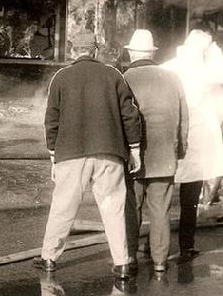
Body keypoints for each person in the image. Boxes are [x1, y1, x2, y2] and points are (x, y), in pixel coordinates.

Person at [33, 30, 142, 289]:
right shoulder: (114, 75)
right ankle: (123, 263)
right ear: (95, 50)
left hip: (70, 154)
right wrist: (134, 149)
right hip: (110, 152)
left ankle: (49, 258)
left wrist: (53, 156)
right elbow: (130, 115)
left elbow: (52, 120)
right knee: (113, 208)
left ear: (74, 50)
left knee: (63, 207)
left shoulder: (61, 77)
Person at [162, 27, 223, 262]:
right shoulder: (203, 71)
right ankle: (186, 246)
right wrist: (214, 48)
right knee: (189, 200)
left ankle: (153, 246)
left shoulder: (170, 66)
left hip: (169, 138)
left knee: (159, 196)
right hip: (194, 142)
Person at [122, 29, 189, 275]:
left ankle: (129, 257)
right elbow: (183, 118)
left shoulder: (124, 77)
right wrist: (180, 150)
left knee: (132, 208)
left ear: (131, 53)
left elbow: (121, 118)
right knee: (160, 210)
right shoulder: (173, 78)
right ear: (152, 53)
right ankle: (160, 261)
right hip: (164, 156)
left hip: (134, 157)